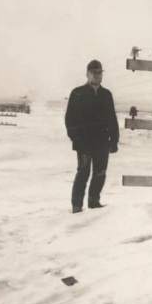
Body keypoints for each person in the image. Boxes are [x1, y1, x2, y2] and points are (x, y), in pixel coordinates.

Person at [65, 60, 119, 213]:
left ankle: (94, 202)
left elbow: (112, 119)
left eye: (99, 73)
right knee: (83, 172)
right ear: (87, 74)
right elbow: (70, 119)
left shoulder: (106, 95)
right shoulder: (78, 93)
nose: (97, 76)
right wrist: (76, 139)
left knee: (100, 173)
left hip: (101, 142)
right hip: (84, 143)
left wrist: (114, 140)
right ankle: (77, 206)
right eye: (93, 73)